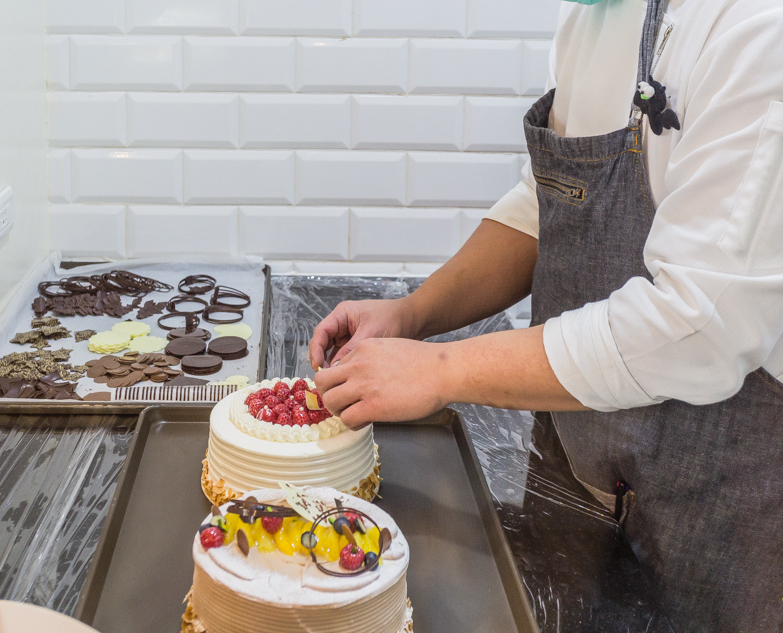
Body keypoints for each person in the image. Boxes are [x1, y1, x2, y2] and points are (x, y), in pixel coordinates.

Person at [308, 0, 783, 630]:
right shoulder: (592, 17)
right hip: (579, 462)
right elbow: (553, 201)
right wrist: (413, 313)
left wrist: (442, 368)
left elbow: (701, 323)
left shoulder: (756, 30)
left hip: (719, 503)